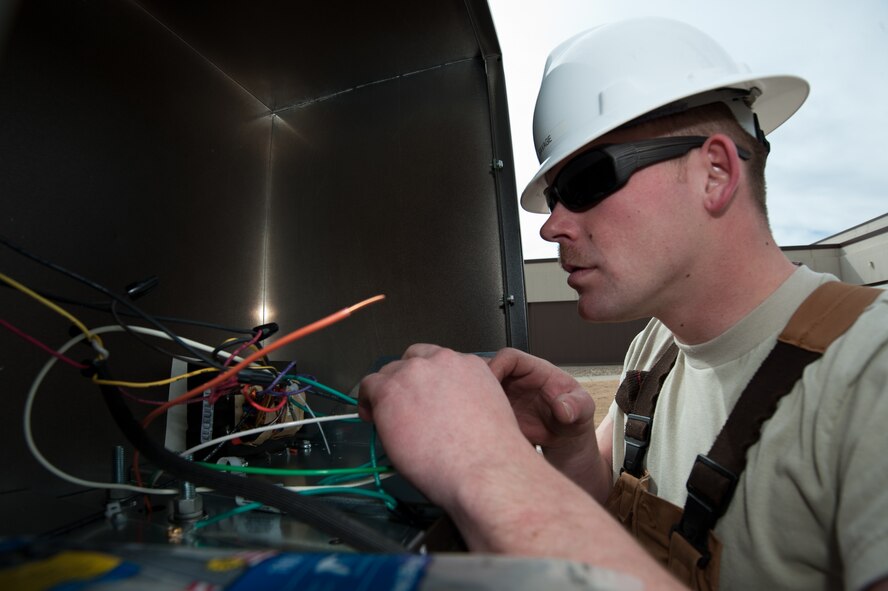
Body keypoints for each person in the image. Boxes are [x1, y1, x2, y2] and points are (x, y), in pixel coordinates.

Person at [358, 17, 888, 591]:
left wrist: (485, 469)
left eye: (587, 181)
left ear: (715, 173)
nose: (552, 226)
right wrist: (572, 446)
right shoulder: (656, 350)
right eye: (554, 198)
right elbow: (608, 524)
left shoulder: (868, 370)